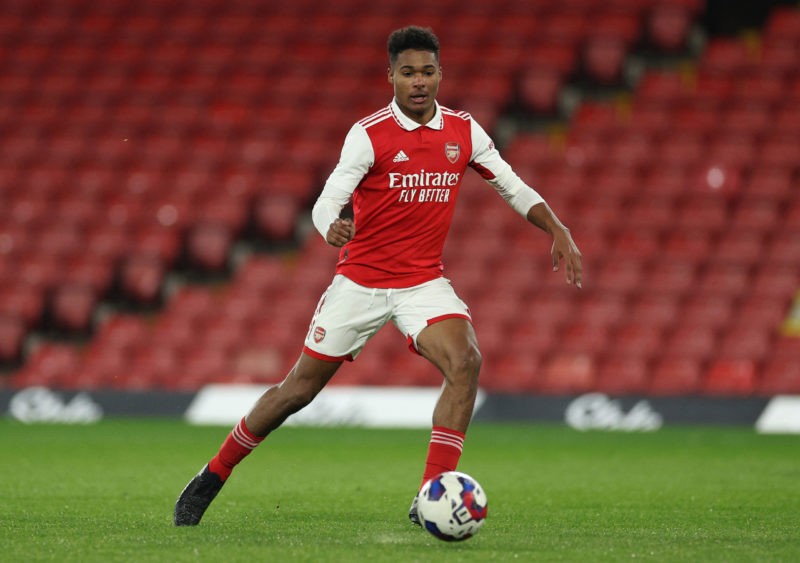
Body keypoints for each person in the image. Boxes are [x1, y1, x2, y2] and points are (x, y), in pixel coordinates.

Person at [174, 25, 582, 527]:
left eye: (427, 72)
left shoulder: (464, 130)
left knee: (466, 361)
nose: (418, 82)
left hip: (422, 282)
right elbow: (327, 201)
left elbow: (512, 185)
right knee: (297, 391)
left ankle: (431, 494)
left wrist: (556, 227)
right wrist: (330, 227)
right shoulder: (368, 134)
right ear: (389, 75)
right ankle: (211, 475)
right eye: (408, 72)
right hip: (360, 283)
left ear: (440, 74)